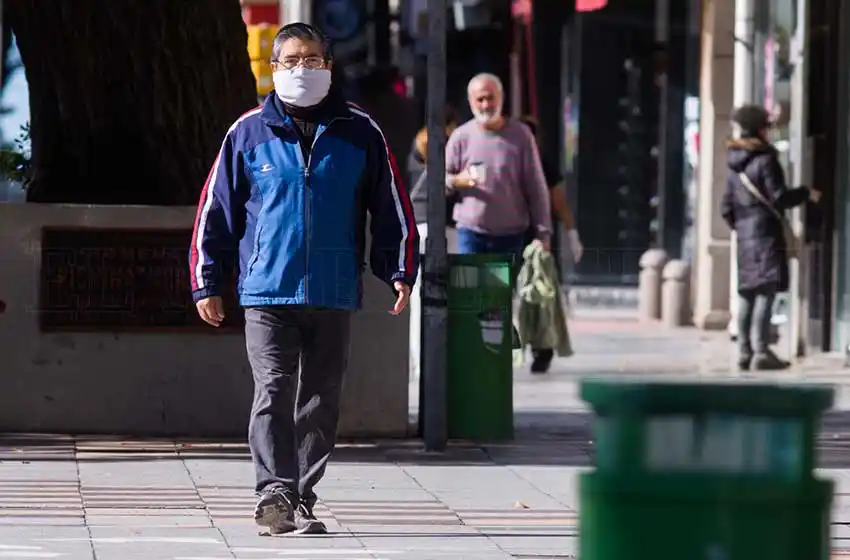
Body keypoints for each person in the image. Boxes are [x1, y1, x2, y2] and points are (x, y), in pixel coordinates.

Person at [188, 23, 418, 535]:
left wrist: (399, 269)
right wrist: (208, 280)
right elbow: (216, 210)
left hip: (333, 289)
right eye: (291, 60)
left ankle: (302, 496)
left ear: (329, 67)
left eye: (312, 60)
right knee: (272, 389)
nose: (302, 69)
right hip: (266, 288)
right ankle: (274, 490)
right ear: (274, 68)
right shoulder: (247, 133)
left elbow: (391, 207)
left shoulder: (361, 131)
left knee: (320, 398)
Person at [720, 104, 819, 371]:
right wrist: (805, 193)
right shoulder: (765, 160)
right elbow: (780, 197)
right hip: (766, 234)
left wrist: (742, 227)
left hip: (745, 236)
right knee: (766, 290)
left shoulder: (733, 164)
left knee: (747, 293)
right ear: (761, 129)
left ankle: (744, 351)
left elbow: (725, 208)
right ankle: (761, 351)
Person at [445, 73, 552, 275]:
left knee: (499, 294)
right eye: (480, 99)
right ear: (470, 101)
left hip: (509, 236)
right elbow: (438, 181)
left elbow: (536, 186)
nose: (486, 104)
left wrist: (543, 233)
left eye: (490, 98)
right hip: (471, 232)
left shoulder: (521, 135)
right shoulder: (461, 137)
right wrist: (456, 180)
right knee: (471, 292)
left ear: (501, 98)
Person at [517, 114, 582, 372]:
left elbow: (559, 201)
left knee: (540, 294)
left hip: (536, 239)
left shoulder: (543, 164)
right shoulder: (507, 161)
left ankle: (542, 349)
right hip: (510, 236)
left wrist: (572, 232)